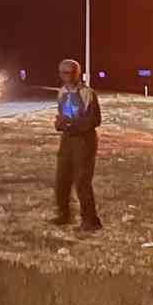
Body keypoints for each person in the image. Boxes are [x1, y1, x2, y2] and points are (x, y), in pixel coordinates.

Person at [54, 58, 102, 230]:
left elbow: (95, 119)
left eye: (68, 72)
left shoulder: (87, 93)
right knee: (62, 179)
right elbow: (61, 114)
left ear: (77, 74)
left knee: (82, 181)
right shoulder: (62, 92)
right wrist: (60, 124)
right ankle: (63, 214)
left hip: (84, 140)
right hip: (67, 140)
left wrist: (73, 125)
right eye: (62, 72)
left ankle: (90, 220)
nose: (65, 76)